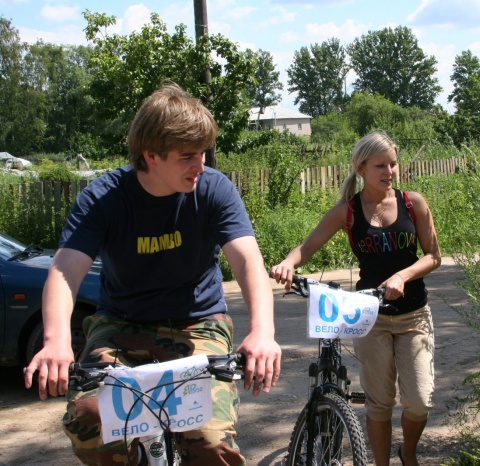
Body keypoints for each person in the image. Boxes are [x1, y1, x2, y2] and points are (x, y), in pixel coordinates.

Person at [24, 81, 281, 466]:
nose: (202, 166)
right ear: (151, 156)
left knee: (210, 442)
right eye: (188, 156)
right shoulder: (103, 198)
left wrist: (263, 330)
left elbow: (247, 261)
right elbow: (65, 270)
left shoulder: (214, 190)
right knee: (92, 425)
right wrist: (57, 339)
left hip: (199, 324)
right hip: (120, 324)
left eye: (204, 153)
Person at [270, 130, 441, 466]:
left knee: (420, 401)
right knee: (379, 403)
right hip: (370, 316)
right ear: (361, 168)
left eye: (392, 164)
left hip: (413, 316)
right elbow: (307, 247)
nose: (389, 171)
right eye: (380, 165)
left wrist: (403, 275)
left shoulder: (413, 203)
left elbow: (433, 255)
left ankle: (408, 452)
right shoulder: (347, 212)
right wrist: (288, 263)